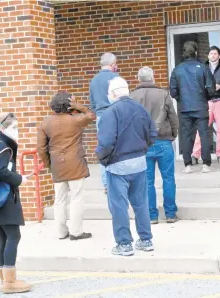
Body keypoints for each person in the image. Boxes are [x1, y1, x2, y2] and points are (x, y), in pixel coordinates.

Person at [95, 77, 157, 256]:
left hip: (117, 165)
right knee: (141, 203)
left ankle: (124, 243)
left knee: (119, 206)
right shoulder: (140, 109)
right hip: (139, 162)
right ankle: (146, 240)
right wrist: (142, 148)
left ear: (113, 94)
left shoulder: (110, 112)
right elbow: (152, 134)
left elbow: (106, 142)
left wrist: (103, 158)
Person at [0, 112, 32, 294]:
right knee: (13, 236)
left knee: (1, 237)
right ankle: (9, 282)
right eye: (14, 128)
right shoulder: (2, 145)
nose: (17, 131)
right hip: (2, 198)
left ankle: (5, 280)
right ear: (3, 128)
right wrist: (19, 179)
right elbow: (0, 171)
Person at [37, 91, 93, 241]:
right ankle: (76, 232)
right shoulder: (75, 120)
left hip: (57, 164)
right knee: (76, 198)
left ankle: (61, 232)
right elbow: (91, 115)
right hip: (75, 163)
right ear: (69, 104)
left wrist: (50, 164)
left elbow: (41, 149)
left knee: (59, 200)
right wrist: (78, 106)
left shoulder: (45, 122)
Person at [130, 66, 179, 224]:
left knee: (147, 181)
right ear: (153, 78)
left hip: (142, 143)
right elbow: (173, 117)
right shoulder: (163, 94)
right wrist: (173, 135)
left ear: (139, 79)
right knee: (168, 178)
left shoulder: (131, 97)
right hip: (163, 140)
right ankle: (170, 214)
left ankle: (152, 216)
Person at [169, 41, 216, 174]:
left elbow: (173, 91)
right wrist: (204, 98)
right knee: (204, 135)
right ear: (195, 52)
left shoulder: (177, 69)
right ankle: (206, 165)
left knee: (186, 136)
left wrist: (181, 100)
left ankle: (187, 165)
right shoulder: (203, 68)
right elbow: (211, 89)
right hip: (201, 107)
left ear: (184, 52)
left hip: (184, 108)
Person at [192, 46, 220, 165]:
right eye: (211, 53)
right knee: (201, 128)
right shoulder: (203, 68)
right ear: (208, 56)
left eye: (215, 53)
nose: (213, 55)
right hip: (207, 102)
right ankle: (195, 155)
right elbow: (197, 84)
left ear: (219, 55)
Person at [89, 52, 119, 194]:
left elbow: (92, 102)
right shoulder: (115, 77)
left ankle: (106, 183)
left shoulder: (94, 80)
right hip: (115, 114)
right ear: (113, 64)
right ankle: (117, 181)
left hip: (100, 116)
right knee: (119, 147)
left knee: (103, 148)